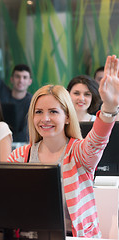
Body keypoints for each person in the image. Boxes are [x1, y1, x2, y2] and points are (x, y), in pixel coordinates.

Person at [7, 55, 119, 238]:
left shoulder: (79, 152)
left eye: (53, 112)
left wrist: (109, 108)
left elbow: (98, 140)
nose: (45, 118)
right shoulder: (19, 156)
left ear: (67, 116)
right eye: (39, 112)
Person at [0, 16, 32, 143]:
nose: (20, 80)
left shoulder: (33, 101)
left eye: (24, 77)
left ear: (29, 81)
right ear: (11, 79)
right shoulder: (1, 92)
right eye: (17, 76)